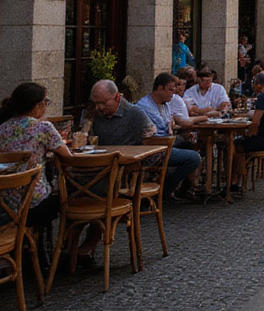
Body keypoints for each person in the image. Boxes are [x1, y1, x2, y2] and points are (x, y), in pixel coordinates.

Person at [0, 82, 75, 232]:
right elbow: (68, 156)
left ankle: (31, 241)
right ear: (37, 106)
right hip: (34, 203)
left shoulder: (3, 128)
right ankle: (60, 241)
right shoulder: (43, 127)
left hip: (5, 202)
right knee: (68, 196)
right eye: (45, 102)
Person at [135, 73, 203, 200]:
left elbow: (169, 123)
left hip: (167, 142)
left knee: (193, 145)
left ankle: (186, 189)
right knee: (194, 158)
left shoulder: (165, 104)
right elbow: (159, 129)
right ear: (160, 88)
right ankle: (164, 190)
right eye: (171, 90)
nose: (173, 93)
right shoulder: (145, 106)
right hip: (155, 148)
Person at [87, 80, 155, 144]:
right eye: (96, 103)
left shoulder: (135, 114)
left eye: (103, 103)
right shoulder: (95, 113)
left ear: (117, 97)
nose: (99, 107)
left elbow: (152, 141)